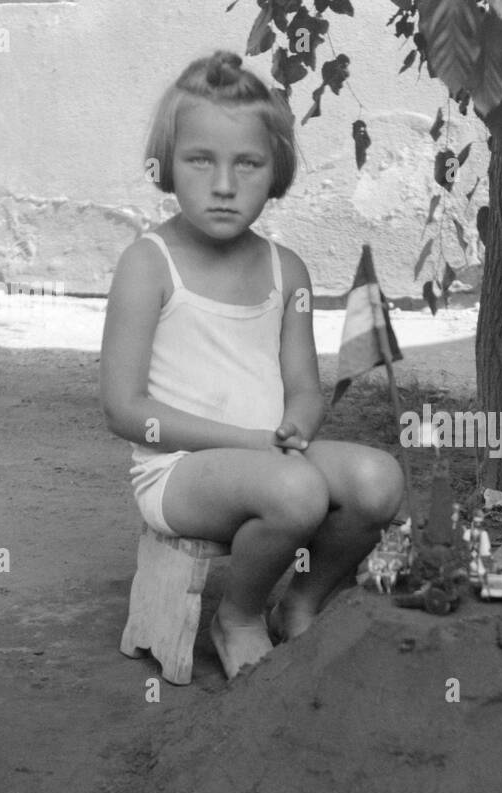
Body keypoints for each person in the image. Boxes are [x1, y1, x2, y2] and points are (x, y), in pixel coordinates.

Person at [100, 51, 405, 679]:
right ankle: (236, 615)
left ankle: (302, 600)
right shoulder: (148, 263)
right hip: (180, 472)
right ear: (167, 164)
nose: (223, 184)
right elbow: (125, 411)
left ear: (275, 172)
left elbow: (303, 387)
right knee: (296, 492)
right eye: (200, 160)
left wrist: (296, 424)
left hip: (270, 457)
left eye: (247, 163)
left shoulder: (284, 269)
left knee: (379, 481)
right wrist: (249, 443)